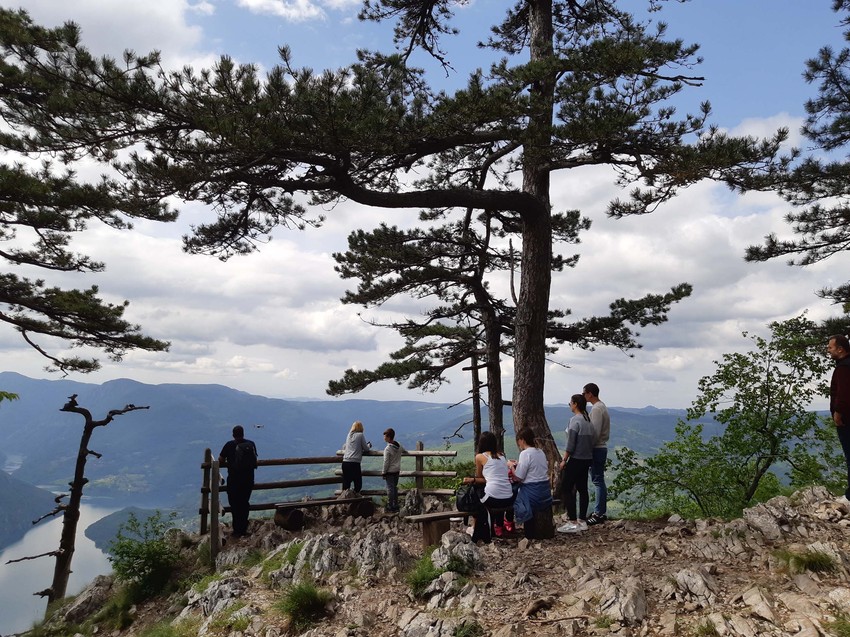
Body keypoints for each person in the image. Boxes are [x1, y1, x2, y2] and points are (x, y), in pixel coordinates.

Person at [462, 430, 515, 542]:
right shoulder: (502, 456)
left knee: (475, 494)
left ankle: (476, 527)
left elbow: (481, 478)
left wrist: (471, 479)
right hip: (509, 498)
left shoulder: (480, 457)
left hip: (493, 499)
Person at [558, 393, 595, 534]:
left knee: (566, 488)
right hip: (587, 459)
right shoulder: (588, 420)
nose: (569, 405)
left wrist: (564, 460)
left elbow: (571, 444)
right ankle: (582, 520)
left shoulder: (575, 421)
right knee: (582, 489)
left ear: (575, 404)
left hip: (576, 459)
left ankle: (573, 521)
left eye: (570, 403)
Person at [509, 426, 553, 539]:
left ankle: (517, 526)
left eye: (518, 441)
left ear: (522, 440)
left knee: (513, 493)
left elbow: (518, 477)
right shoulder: (540, 452)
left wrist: (511, 466)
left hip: (533, 493)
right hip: (545, 492)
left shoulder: (525, 454)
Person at [218, 425, 258, 538]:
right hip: (249, 480)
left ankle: (237, 530)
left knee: (235, 505)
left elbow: (220, 459)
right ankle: (244, 529)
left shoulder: (229, 445)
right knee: (244, 504)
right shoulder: (251, 444)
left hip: (234, 481)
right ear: (243, 433)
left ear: (233, 434)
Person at [584, 382, 610, 525]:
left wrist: (587, 447)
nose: (583, 396)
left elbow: (594, 432)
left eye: (584, 393)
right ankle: (600, 511)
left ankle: (599, 513)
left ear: (590, 394)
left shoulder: (597, 409)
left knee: (597, 480)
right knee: (599, 480)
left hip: (597, 448)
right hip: (600, 447)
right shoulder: (601, 406)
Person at [829, 334, 850, 500]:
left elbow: (843, 395)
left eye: (831, 347)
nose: (828, 350)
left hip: (846, 420)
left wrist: (837, 414)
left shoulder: (843, 368)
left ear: (840, 349)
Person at [341, 420, 371, 494]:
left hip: (345, 462)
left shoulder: (348, 435)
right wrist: (369, 445)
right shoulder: (360, 435)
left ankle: (345, 501)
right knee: (358, 484)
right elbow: (366, 448)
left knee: (346, 484)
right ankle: (354, 500)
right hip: (354, 463)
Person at [382, 427, 405, 512]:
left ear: (388, 437)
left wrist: (384, 472)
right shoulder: (398, 445)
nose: (384, 438)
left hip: (390, 471)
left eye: (385, 436)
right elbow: (403, 450)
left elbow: (386, 462)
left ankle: (390, 506)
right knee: (394, 488)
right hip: (397, 470)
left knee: (390, 489)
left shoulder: (387, 449)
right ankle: (396, 505)